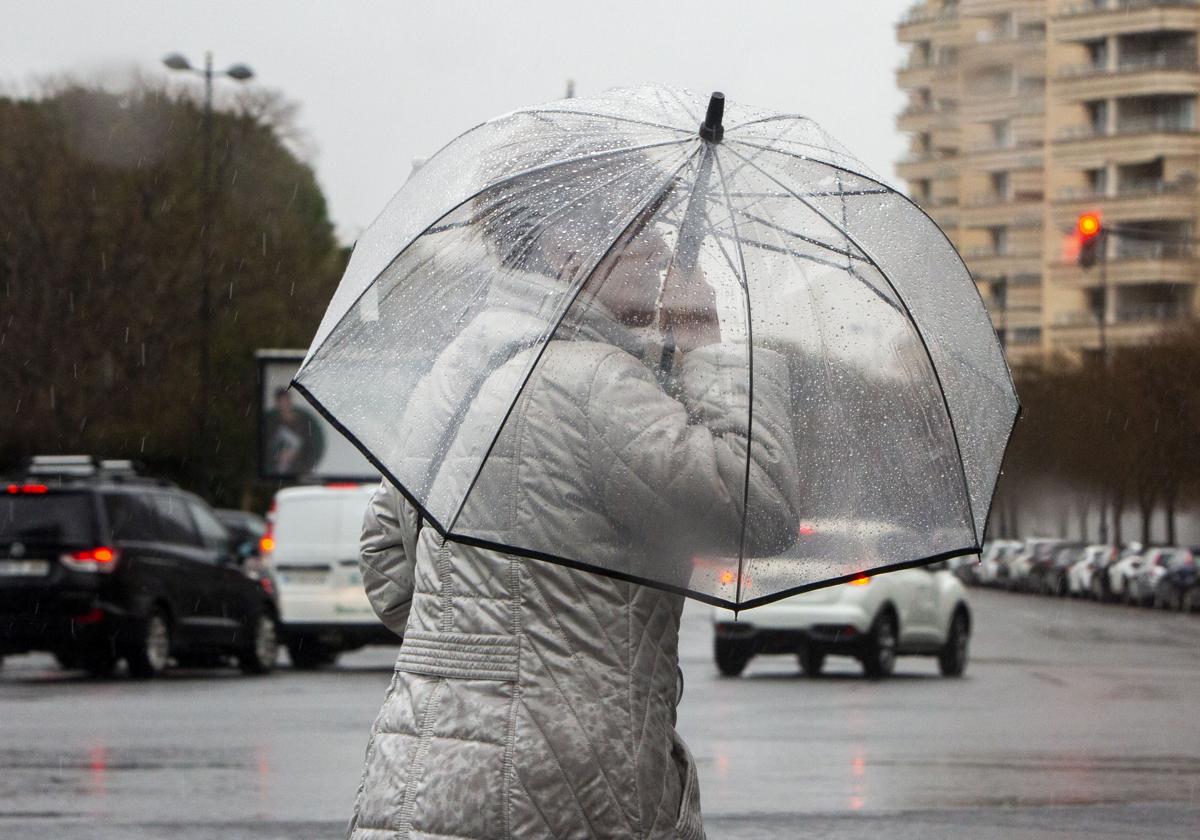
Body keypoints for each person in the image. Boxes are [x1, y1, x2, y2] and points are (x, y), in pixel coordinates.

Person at [347, 176, 801, 840]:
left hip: (420, 780)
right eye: (644, 229)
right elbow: (757, 506)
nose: (665, 251)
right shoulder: (593, 382)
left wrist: (500, 645)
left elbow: (390, 576)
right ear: (568, 250)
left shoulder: (462, 367)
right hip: (556, 795)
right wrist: (705, 341)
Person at [263, 388, 325, 476]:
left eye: (286, 401)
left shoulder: (304, 422)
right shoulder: (271, 424)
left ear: (290, 401)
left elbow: (310, 448)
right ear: (277, 403)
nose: (284, 405)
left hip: (299, 469)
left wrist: (294, 454)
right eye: (281, 402)